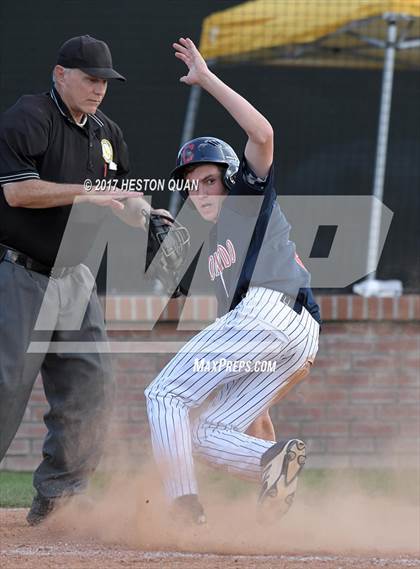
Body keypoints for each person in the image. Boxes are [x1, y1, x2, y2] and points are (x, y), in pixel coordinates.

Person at [145, 38, 321, 525]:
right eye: (190, 183)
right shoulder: (216, 256)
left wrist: (206, 79)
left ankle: (182, 508)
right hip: (295, 334)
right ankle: (273, 467)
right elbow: (249, 371)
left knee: (164, 396)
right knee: (205, 434)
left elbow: (262, 133)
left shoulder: (246, 196)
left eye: (208, 178)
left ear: (229, 176)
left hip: (273, 309)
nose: (198, 189)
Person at [0, 35, 158, 525]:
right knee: (4, 388)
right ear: (60, 74)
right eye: (90, 79)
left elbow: (124, 196)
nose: (99, 89)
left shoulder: (106, 131)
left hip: (75, 278)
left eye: (105, 81)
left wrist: (148, 215)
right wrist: (88, 193)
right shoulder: (30, 117)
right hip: (18, 272)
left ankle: (60, 498)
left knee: (93, 385)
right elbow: (19, 194)